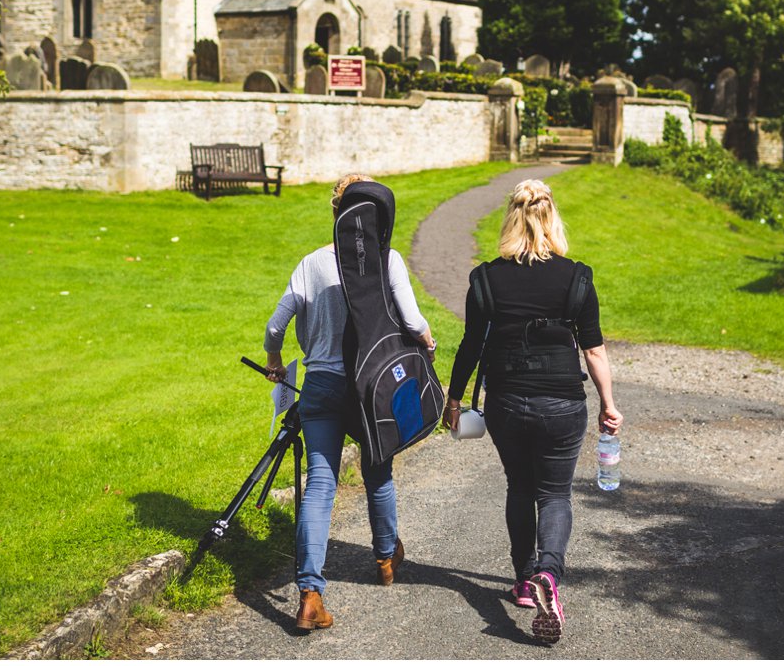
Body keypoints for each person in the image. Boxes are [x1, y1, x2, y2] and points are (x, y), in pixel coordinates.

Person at [443, 178, 622, 645]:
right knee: (556, 494)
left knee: (521, 488)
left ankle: (525, 581)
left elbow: (470, 346)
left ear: (511, 218)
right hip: (563, 402)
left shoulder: (486, 278)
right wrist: (609, 403)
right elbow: (595, 351)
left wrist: (454, 397)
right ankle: (550, 573)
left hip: (506, 402)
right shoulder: (576, 277)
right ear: (551, 218)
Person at [264, 173, 436, 632]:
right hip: (369, 387)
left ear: (336, 213)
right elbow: (412, 319)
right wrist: (428, 342)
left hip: (320, 384)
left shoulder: (312, 263)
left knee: (320, 482)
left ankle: (310, 593)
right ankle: (385, 559)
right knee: (377, 469)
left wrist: (276, 361)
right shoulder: (386, 258)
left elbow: (275, 325)